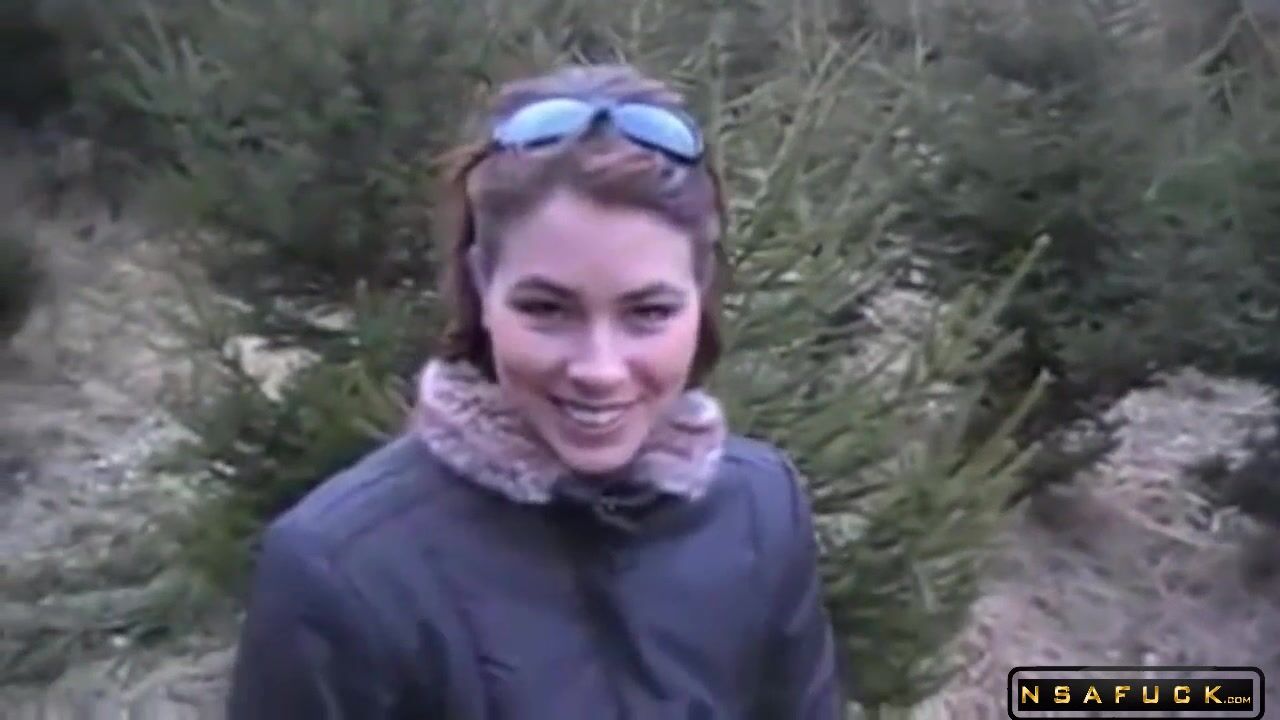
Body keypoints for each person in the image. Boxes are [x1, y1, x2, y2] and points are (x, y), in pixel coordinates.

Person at [226, 63, 845, 719]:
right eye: (547, 309)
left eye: (648, 312)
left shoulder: (759, 508)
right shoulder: (343, 571)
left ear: (703, 296)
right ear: (481, 286)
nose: (600, 369)